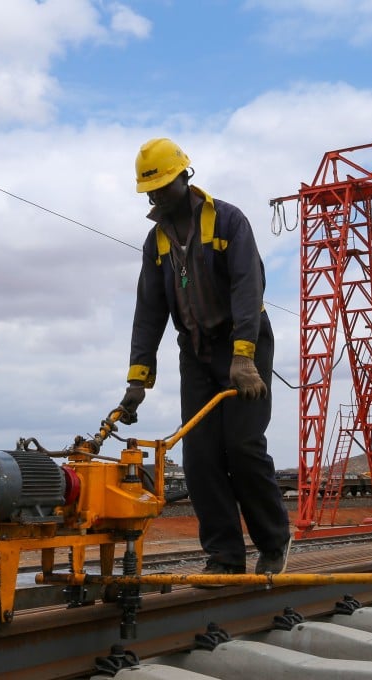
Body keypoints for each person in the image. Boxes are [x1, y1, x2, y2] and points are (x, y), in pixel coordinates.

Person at [118, 138, 292, 578]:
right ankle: (225, 557)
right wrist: (138, 378)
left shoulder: (228, 221)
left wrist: (244, 356)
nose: (156, 196)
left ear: (184, 177)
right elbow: (149, 310)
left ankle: (274, 541)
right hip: (195, 352)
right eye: (150, 190)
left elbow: (248, 290)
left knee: (242, 446)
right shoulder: (155, 242)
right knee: (199, 457)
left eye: (162, 185)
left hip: (243, 343)